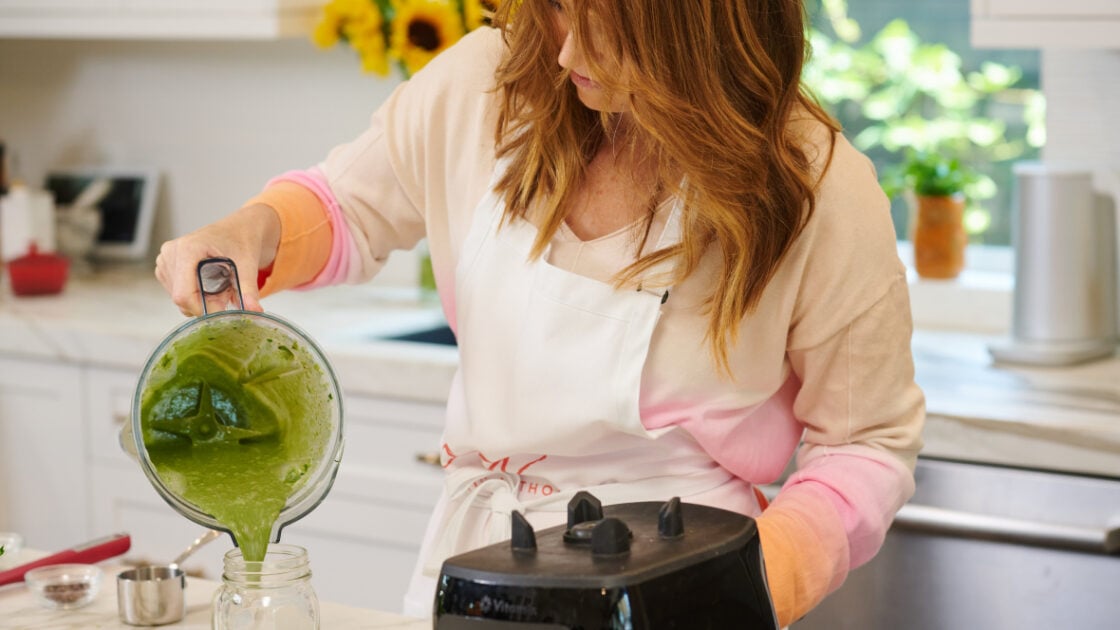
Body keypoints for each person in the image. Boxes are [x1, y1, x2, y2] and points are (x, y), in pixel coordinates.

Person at [155, 0, 925, 625]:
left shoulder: (817, 188)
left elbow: (866, 445)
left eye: (609, 16)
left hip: (676, 594)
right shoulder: (486, 87)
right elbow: (347, 205)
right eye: (555, 4)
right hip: (474, 581)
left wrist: (747, 584)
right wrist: (246, 232)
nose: (563, 50)